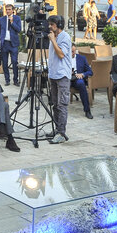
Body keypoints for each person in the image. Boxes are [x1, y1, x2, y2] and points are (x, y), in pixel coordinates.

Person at [46, 15, 71, 143]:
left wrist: (53, 41)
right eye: (49, 24)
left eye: (53, 24)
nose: (50, 26)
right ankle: (57, 129)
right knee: (55, 105)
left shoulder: (64, 37)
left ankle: (62, 133)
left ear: (59, 25)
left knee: (62, 105)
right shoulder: (53, 37)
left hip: (62, 76)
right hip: (53, 75)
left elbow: (61, 54)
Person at [0, 4, 21, 86]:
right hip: (4, 43)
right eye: (6, 9)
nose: (7, 11)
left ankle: (15, 80)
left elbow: (19, 30)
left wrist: (12, 22)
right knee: (5, 63)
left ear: (13, 10)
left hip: (13, 43)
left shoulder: (17, 18)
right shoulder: (2, 19)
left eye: (9, 9)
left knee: (14, 62)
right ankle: (7, 80)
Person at [70, 45, 94, 119]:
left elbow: (90, 72)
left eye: (73, 51)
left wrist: (83, 74)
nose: (72, 53)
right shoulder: (63, 58)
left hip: (77, 78)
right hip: (67, 78)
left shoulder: (82, 58)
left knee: (81, 84)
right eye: (70, 52)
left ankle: (87, 110)